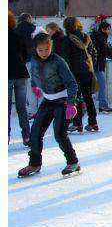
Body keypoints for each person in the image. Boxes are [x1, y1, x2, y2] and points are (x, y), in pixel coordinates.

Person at [17, 32, 81, 178]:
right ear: (35, 49)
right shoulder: (34, 60)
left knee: (59, 133)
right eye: (40, 50)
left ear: (51, 47)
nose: (44, 53)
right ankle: (34, 163)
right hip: (47, 100)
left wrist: (71, 104)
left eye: (47, 49)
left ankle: (73, 162)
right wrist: (34, 86)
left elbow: (72, 84)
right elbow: (34, 74)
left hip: (62, 100)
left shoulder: (58, 61)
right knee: (35, 133)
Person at [61, 17, 99, 133]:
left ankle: (77, 124)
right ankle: (93, 122)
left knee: (76, 97)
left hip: (75, 72)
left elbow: (65, 58)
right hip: (88, 70)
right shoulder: (87, 37)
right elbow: (94, 53)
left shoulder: (67, 40)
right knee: (88, 98)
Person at [9, 10, 31, 146]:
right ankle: (27, 136)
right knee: (21, 107)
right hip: (21, 73)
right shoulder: (17, 34)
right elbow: (25, 54)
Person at [90, 20, 112, 113]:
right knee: (101, 85)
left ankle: (100, 104)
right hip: (96, 65)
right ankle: (102, 105)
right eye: (108, 29)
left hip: (96, 64)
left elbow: (105, 50)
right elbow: (104, 50)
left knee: (98, 85)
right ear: (103, 29)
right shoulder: (99, 38)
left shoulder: (101, 37)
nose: (109, 31)